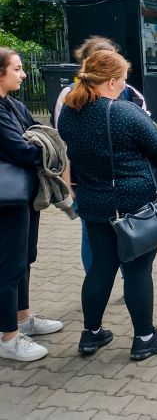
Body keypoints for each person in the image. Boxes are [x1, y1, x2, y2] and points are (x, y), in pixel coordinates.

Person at [58, 50, 157, 361]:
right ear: (110, 82)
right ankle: (145, 337)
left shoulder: (68, 113)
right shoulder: (124, 112)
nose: (125, 85)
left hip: (93, 202)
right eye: (123, 80)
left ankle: (91, 334)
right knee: (137, 270)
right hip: (133, 202)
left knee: (100, 267)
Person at [53, 35, 148, 274]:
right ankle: (118, 281)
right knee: (118, 238)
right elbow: (62, 145)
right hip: (117, 184)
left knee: (98, 238)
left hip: (93, 184)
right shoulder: (69, 96)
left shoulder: (130, 94)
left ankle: (101, 282)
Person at [0, 48, 63, 362]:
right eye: (17, 68)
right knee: (9, 264)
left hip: (23, 194)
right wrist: (40, 146)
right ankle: (8, 337)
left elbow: (38, 133)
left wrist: (39, 143)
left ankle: (23, 318)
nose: (23, 75)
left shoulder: (13, 104)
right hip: (6, 201)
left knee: (25, 257)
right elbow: (24, 149)